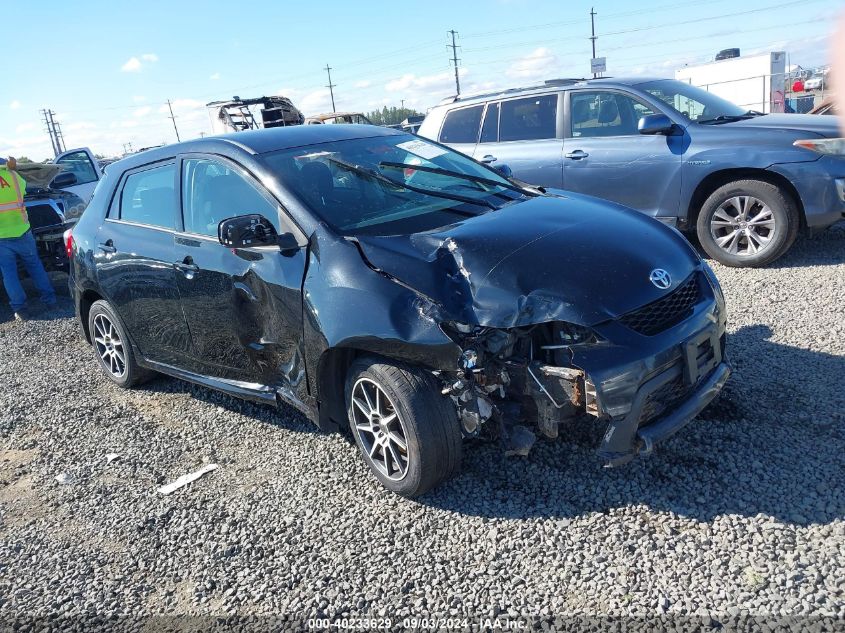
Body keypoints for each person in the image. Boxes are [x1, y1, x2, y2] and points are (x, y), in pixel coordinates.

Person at [0, 156, 56, 320]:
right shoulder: (14, 176)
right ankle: (50, 300)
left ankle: (20, 310)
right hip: (23, 232)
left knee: (9, 273)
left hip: (1, 237)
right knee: (35, 266)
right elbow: (24, 192)